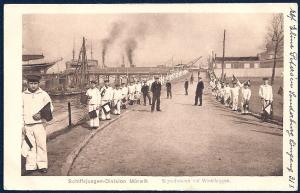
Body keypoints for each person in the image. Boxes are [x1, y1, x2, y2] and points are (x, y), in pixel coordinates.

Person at [22, 74, 53, 174]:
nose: (33, 86)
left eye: (35, 83)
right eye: (31, 83)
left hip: (39, 124)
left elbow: (50, 107)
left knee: (41, 144)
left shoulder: (43, 94)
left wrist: (41, 114)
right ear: (27, 83)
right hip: (27, 125)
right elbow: (19, 111)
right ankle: (31, 165)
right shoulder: (22, 95)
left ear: (38, 84)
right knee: (30, 145)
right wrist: (21, 125)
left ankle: (42, 164)